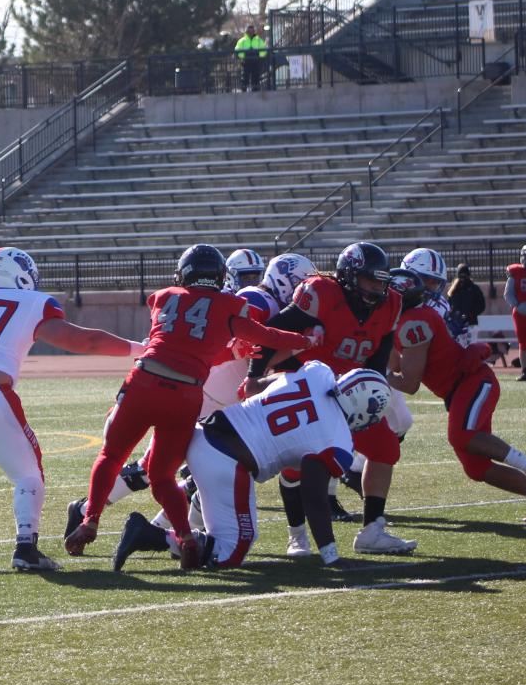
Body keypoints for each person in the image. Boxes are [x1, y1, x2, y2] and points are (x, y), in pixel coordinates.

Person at [66, 245, 312, 566]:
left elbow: (178, 343)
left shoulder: (163, 296)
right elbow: (265, 336)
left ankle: (90, 519)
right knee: (163, 476)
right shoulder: (230, 305)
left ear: (184, 274)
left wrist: (230, 352)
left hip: (144, 380)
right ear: (221, 276)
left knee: (112, 455)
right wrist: (306, 340)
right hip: (186, 393)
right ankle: (183, 535)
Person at [0, 247, 143, 572]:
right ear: (22, 274)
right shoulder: (32, 303)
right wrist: (139, 348)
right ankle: (26, 548)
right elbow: (85, 342)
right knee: (28, 473)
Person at [113, 363, 389, 572]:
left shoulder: (318, 372)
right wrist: (330, 555)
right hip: (227, 460)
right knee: (232, 552)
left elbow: (256, 386)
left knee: (218, 511)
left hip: (204, 430)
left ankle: (188, 524)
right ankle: (152, 535)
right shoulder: (338, 440)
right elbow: (314, 496)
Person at [247, 241, 414, 556]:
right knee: (297, 464)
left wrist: (372, 387)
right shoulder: (322, 293)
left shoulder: (390, 303)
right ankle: (297, 536)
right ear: (350, 276)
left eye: (381, 281)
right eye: (370, 280)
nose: (377, 288)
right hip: (307, 388)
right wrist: (253, 376)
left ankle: (373, 530)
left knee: (385, 447)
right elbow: (272, 331)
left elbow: (379, 357)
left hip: (350, 392)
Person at [390, 268, 526, 507]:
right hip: (460, 390)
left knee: (462, 435)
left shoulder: (414, 321)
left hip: (473, 382)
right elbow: (394, 364)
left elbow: (409, 383)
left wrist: (371, 374)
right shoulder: (404, 321)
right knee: (476, 467)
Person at [505, 244, 526, 381]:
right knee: (523, 344)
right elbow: (508, 294)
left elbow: (508, 294)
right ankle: (525, 371)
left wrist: (518, 305)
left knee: (524, 344)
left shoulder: (515, 272)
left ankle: (525, 371)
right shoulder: (515, 272)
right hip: (520, 312)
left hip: (520, 312)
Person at [234, 24, 269, 92]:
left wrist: (259, 56)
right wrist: (243, 56)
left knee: (255, 77)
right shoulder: (242, 41)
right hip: (246, 62)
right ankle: (243, 90)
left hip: (256, 61)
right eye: (249, 31)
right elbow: (237, 50)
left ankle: (255, 90)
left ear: (254, 32)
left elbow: (264, 49)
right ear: (246, 32)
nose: (250, 32)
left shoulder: (259, 40)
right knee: (244, 77)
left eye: (252, 31)